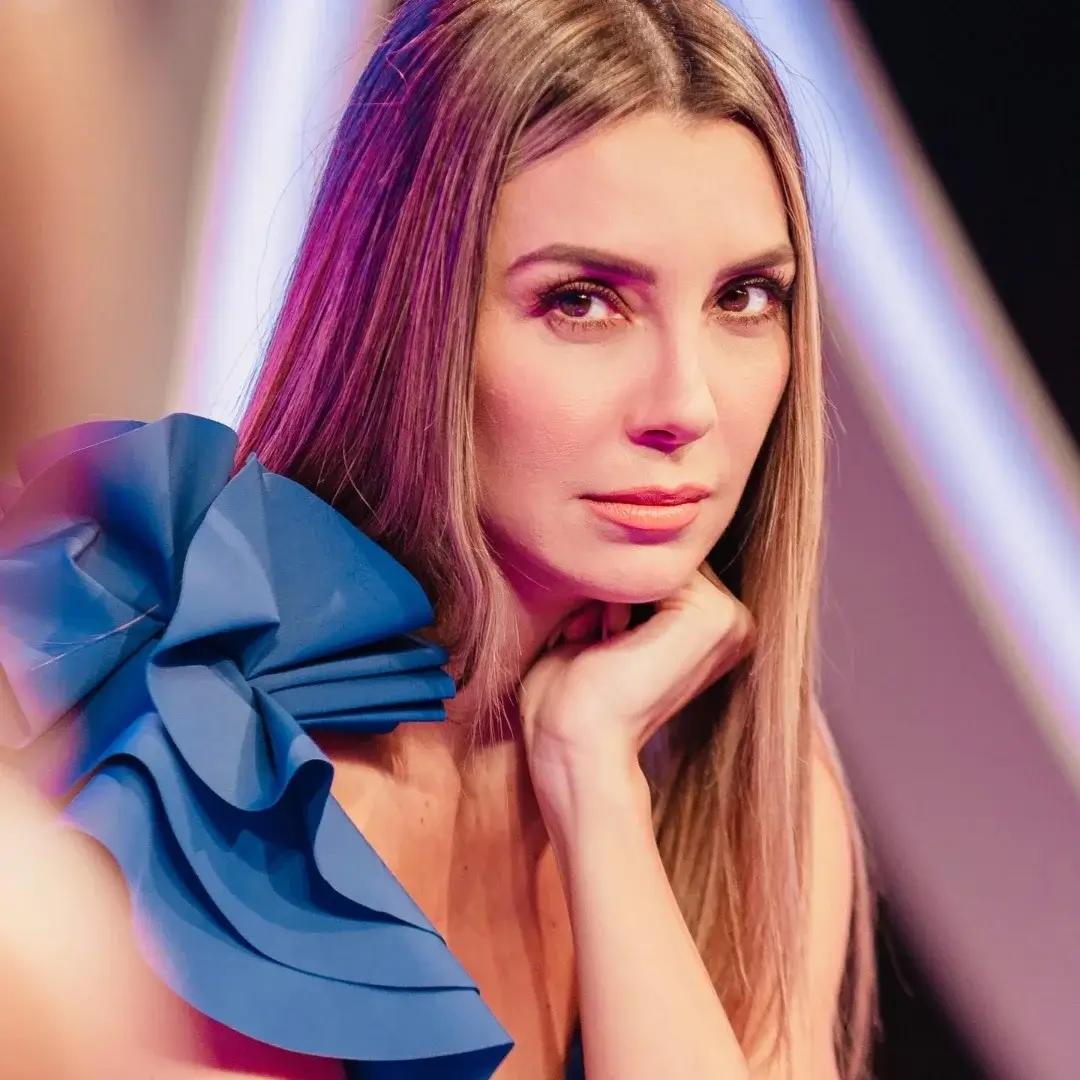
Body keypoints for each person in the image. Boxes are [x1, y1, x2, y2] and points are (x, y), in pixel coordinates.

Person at [0, 1, 875, 1078]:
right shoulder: (140, 671)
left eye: (744, 297)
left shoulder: (752, 796)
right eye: (584, 300)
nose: (685, 403)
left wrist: (594, 777)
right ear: (411, 313)